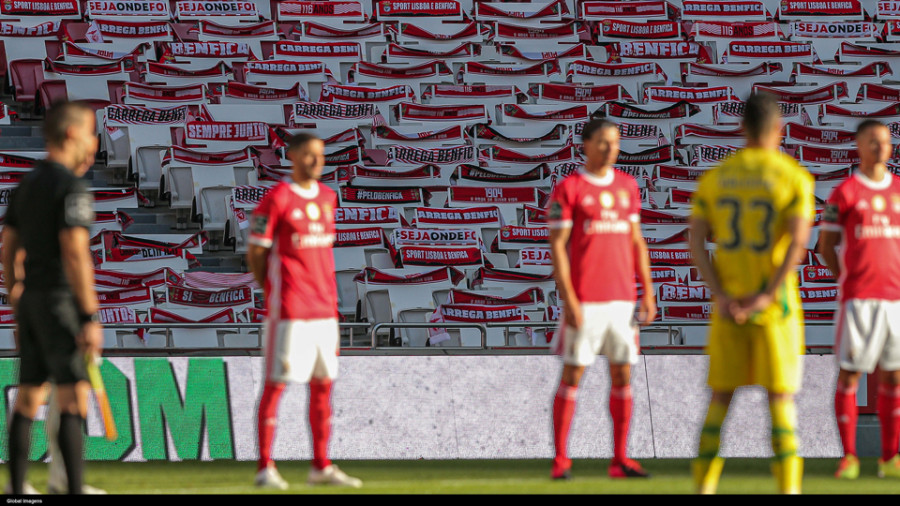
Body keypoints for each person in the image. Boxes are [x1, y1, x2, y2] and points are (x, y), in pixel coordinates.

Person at [689, 93, 814, 494]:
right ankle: (788, 491)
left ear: (741, 128)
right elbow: (796, 244)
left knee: (720, 400)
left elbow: (694, 242)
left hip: (729, 307)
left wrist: (720, 295)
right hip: (774, 308)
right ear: (779, 129)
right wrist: (767, 295)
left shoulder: (716, 177)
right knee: (780, 399)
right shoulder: (793, 177)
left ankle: (704, 489)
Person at [247, 132, 361, 489]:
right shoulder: (276, 198)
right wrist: (273, 290)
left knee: (324, 385)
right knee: (277, 384)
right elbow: (256, 252)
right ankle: (266, 466)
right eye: (309, 155)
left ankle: (321, 466)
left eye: (320, 155)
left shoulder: (329, 198)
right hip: (290, 309)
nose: (316, 161)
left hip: (325, 309)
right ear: (293, 156)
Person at [547, 118, 657, 480]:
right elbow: (558, 249)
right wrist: (570, 299)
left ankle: (620, 459)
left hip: (622, 300)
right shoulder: (570, 189)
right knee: (573, 375)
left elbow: (637, 241)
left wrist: (647, 290)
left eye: (616, 142)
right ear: (585, 145)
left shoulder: (628, 186)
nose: (611, 149)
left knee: (623, 375)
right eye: (603, 142)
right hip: (586, 300)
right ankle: (561, 460)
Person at [2, 100, 103, 495]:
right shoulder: (70, 186)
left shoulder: (26, 184)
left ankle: (16, 490)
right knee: (72, 395)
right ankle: (73, 489)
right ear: (72, 133)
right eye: (91, 131)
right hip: (61, 300)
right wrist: (90, 317)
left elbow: (9, 244)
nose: (94, 141)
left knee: (28, 396)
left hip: (31, 301)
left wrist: (16, 291)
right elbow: (75, 252)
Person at [819, 119, 900, 480]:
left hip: (895, 300)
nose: (880, 148)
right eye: (872, 141)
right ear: (858, 146)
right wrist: (846, 280)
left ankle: (889, 458)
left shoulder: (899, 190)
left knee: (894, 378)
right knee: (850, 376)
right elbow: (825, 247)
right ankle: (849, 457)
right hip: (858, 300)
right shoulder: (845, 193)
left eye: (885, 142)